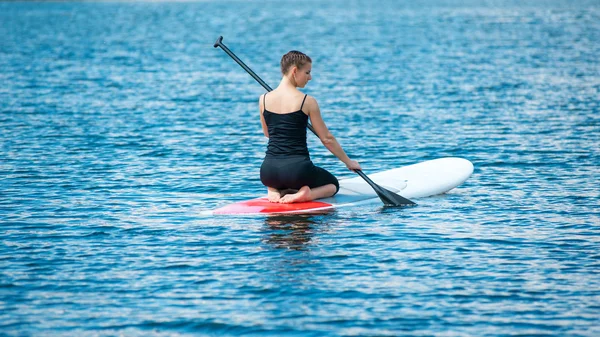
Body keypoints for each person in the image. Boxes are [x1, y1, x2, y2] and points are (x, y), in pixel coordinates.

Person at [259, 50, 361, 204]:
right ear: (294, 71)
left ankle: (274, 189)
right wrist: (349, 162)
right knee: (333, 185)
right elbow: (327, 139)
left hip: (268, 172)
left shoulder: (264, 99)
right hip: (297, 171)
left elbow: (268, 134)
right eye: (307, 72)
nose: (310, 77)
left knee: (283, 178)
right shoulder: (307, 101)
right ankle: (306, 195)